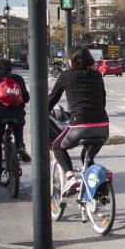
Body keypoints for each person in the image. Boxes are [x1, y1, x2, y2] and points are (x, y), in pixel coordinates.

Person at [48, 47, 110, 194]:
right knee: (86, 157)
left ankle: (70, 179)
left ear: (72, 60)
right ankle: (98, 191)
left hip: (80, 124)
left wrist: (42, 111)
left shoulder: (66, 75)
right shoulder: (97, 75)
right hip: (102, 125)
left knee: (57, 146)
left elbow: (52, 98)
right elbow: (103, 99)